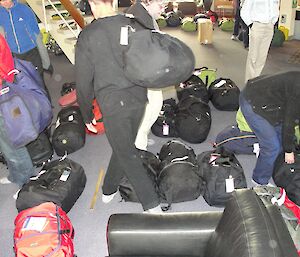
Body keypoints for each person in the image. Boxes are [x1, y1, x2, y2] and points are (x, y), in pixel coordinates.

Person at [75, 0, 165, 213]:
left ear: (92, 4)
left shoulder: (88, 35)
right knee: (123, 146)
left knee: (126, 153)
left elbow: (83, 80)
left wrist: (86, 113)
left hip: (113, 104)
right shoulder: (136, 25)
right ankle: (108, 188)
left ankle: (151, 205)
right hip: (139, 97)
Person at [239, 71, 300, 186]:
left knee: (280, 140)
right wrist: (288, 151)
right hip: (252, 101)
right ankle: (259, 180)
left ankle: (267, 158)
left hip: (271, 101)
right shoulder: (298, 92)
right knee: (272, 146)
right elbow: (289, 122)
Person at [126, 0, 165, 151]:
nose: (162, 10)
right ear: (148, 1)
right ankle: (138, 147)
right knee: (150, 107)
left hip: (144, 69)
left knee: (152, 106)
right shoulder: (137, 17)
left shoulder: (142, 13)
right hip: (141, 71)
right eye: (160, 5)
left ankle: (140, 137)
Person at [0, 34, 35, 197]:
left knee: (13, 140)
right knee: (4, 142)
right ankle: (15, 174)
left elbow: (4, 69)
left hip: (3, 97)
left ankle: (26, 181)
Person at [0, 0, 52, 100]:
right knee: (21, 86)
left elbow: (37, 35)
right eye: (1, 1)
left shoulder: (24, 9)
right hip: (13, 56)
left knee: (39, 82)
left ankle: (47, 107)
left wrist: (46, 61)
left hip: (31, 52)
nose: (4, 3)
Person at [241, 0, 280, 82]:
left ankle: (255, 81)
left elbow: (276, 8)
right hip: (257, 26)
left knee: (262, 58)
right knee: (253, 57)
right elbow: (244, 11)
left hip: (269, 26)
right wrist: (251, 24)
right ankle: (249, 83)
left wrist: (273, 22)